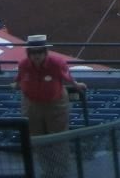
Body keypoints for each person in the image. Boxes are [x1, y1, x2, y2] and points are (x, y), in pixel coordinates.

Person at [15, 35, 87, 174]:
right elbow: (19, 79)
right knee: (38, 139)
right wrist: (17, 85)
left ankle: (61, 171)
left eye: (39, 52)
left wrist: (76, 85)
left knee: (59, 139)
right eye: (33, 52)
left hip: (55, 105)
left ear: (45, 51)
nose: (36, 55)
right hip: (32, 106)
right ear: (29, 53)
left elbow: (68, 77)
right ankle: (47, 170)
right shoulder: (23, 65)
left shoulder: (57, 63)